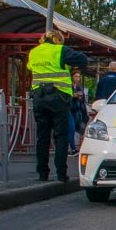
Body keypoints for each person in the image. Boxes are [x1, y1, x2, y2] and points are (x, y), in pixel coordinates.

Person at [27, 29, 88, 182]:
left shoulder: (34, 52)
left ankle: (42, 173)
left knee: (42, 136)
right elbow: (82, 60)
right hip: (58, 97)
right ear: (57, 39)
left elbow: (30, 68)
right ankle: (61, 173)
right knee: (60, 136)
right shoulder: (60, 50)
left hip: (39, 98)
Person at [68, 70, 89, 150]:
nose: (77, 78)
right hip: (69, 110)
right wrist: (73, 96)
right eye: (76, 76)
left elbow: (83, 99)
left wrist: (80, 96)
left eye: (79, 77)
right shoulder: (69, 86)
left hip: (77, 110)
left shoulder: (79, 87)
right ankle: (73, 148)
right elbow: (67, 97)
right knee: (71, 128)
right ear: (72, 77)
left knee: (76, 129)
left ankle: (72, 147)